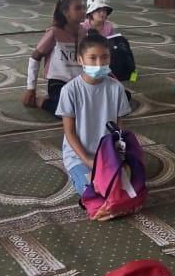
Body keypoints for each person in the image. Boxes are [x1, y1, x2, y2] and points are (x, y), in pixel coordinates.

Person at [55, 32, 132, 196]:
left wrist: (120, 156)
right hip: (79, 157)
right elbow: (69, 132)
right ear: (80, 60)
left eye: (105, 57)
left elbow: (119, 128)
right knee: (94, 192)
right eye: (92, 58)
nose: (99, 63)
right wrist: (87, 160)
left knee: (124, 190)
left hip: (108, 154)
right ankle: (78, 175)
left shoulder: (116, 88)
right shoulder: (70, 91)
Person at [23, 0, 85, 115]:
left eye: (84, 8)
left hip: (80, 81)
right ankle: (42, 101)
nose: (83, 11)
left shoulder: (85, 32)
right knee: (68, 111)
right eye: (78, 8)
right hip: (59, 82)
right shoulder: (54, 32)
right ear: (66, 13)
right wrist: (31, 89)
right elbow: (35, 57)